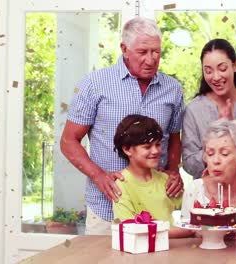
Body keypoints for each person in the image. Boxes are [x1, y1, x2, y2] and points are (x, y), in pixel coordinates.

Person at [60, 17, 184, 235]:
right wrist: (99, 176)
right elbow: (68, 141)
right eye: (142, 52)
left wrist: (173, 171)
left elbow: (174, 138)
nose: (150, 59)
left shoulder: (172, 89)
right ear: (124, 49)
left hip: (157, 209)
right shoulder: (93, 85)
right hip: (106, 208)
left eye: (156, 52)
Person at [182, 38, 236, 179]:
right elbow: (189, 164)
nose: (216, 77)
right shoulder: (193, 109)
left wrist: (235, 131)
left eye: (222, 68)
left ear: (235, 65)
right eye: (208, 71)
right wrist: (219, 139)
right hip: (209, 194)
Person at [112, 115, 193, 238]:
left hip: (171, 251)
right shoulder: (121, 185)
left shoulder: (167, 180)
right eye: (147, 147)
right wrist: (189, 231)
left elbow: (193, 211)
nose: (155, 151)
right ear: (127, 149)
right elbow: (130, 229)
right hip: (140, 253)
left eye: (158, 144)